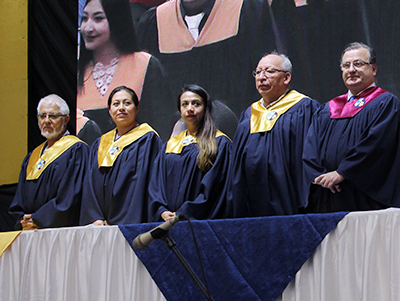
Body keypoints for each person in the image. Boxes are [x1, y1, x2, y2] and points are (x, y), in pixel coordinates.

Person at [137, 0, 280, 132]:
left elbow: (269, 83)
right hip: (174, 148)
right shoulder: (155, 23)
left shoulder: (247, 9)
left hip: (238, 141)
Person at [303, 43, 400, 212]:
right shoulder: (328, 109)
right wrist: (319, 176)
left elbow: (376, 146)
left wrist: (342, 173)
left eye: (358, 64)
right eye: (346, 65)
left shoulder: (385, 103)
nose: (351, 70)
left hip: (364, 198)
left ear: (374, 69)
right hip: (329, 196)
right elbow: (310, 148)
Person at [222, 53, 320, 217]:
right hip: (251, 200)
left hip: (288, 196)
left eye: (269, 71)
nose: (261, 77)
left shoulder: (305, 108)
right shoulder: (249, 114)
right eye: (258, 72)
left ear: (286, 77)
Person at [77, 0, 167, 135]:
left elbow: (162, 128)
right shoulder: (77, 72)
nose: (88, 27)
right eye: (85, 18)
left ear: (117, 20)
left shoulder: (145, 66)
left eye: (98, 19)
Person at [80, 86, 163, 225]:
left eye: (127, 103)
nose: (121, 108)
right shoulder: (100, 144)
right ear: (109, 110)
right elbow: (90, 184)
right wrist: (95, 217)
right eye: (116, 104)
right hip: (100, 225)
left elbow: (141, 184)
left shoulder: (147, 140)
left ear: (137, 108)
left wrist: (125, 219)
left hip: (130, 222)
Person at [148, 85, 231, 222]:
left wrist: (185, 212)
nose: (190, 108)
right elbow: (156, 184)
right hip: (166, 222)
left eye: (196, 104)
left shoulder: (219, 143)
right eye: (184, 104)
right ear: (180, 110)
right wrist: (161, 210)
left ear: (206, 108)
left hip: (197, 223)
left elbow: (215, 188)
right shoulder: (170, 145)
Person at [10, 95, 88, 229]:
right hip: (30, 231)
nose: (47, 121)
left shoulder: (76, 150)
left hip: (60, 232)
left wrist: (39, 219)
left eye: (53, 116)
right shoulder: (33, 156)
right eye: (42, 116)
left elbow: (71, 196)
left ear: (66, 119)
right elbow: (19, 199)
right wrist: (23, 220)